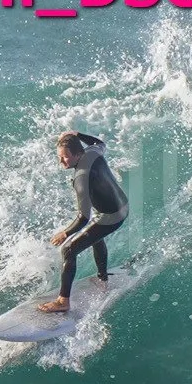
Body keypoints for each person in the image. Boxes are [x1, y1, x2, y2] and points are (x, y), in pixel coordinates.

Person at [38, 130, 127, 313]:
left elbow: (83, 217)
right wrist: (77, 134)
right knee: (96, 236)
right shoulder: (92, 152)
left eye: (65, 157)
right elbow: (100, 142)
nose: (61, 162)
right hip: (122, 206)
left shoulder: (81, 178)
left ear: (78, 154)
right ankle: (102, 279)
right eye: (59, 157)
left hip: (111, 216)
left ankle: (63, 301)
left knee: (69, 250)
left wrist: (66, 233)